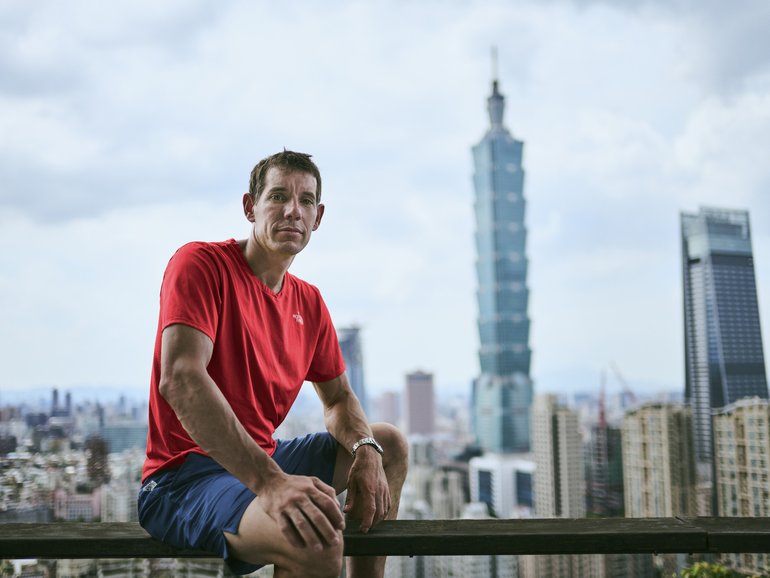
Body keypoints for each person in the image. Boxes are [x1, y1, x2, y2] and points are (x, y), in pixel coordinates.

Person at [138, 150, 408, 578]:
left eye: (305, 202)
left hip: (262, 461)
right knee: (313, 538)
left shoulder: (309, 302)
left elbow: (337, 398)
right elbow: (181, 379)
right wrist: (272, 484)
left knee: (387, 444)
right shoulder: (201, 265)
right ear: (250, 207)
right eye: (278, 196)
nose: (292, 211)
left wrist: (364, 449)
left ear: (317, 218)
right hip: (183, 479)